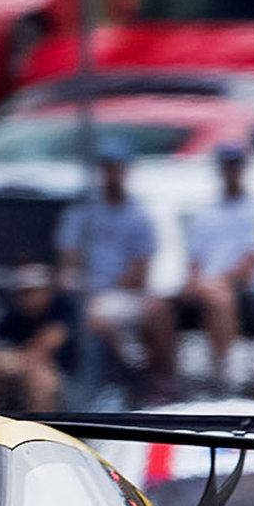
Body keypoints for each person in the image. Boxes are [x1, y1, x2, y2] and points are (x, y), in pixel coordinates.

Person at [56, 139, 159, 393]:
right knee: (93, 313)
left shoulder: (139, 216)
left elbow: (139, 275)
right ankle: (122, 376)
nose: (111, 174)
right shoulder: (81, 213)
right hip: (84, 293)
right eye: (106, 167)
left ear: (126, 170)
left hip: (120, 293)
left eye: (116, 167)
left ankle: (149, 380)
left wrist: (107, 283)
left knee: (149, 310)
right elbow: (68, 261)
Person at [170, 144, 254, 392]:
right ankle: (166, 382)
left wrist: (213, 282)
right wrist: (192, 283)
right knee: (157, 309)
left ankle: (223, 376)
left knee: (218, 300)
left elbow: (250, 264)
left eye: (235, 166)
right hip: (209, 286)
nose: (230, 172)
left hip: (247, 291)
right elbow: (194, 258)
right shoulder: (207, 212)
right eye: (226, 166)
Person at [0, 263, 76, 413]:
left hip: (66, 375)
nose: (29, 298)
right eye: (23, 293)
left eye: (34, 292)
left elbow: (52, 339)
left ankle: (44, 428)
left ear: (47, 291)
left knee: (41, 381)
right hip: (20, 368)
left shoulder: (61, 308)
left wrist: (25, 357)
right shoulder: (13, 317)